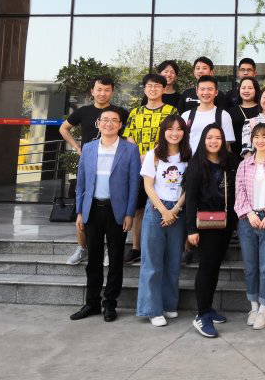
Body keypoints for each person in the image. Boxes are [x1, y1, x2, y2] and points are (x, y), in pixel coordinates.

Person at [70, 108, 140, 323]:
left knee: (116, 259)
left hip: (116, 211)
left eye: (114, 120)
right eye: (105, 120)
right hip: (92, 209)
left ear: (120, 125)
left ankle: (110, 303)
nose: (109, 123)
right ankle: (91, 303)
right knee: (94, 259)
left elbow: (134, 185)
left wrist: (129, 213)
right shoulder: (88, 148)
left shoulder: (130, 149)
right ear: (98, 124)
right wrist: (80, 211)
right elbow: (81, 182)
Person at [59, 76, 128, 266]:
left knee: (110, 210)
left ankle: (107, 250)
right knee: (83, 207)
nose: (102, 93)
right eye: (99, 89)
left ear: (112, 92)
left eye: (107, 90)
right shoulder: (83, 111)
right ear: (92, 91)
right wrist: (77, 147)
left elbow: (130, 134)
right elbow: (64, 128)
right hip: (89, 165)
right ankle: (82, 248)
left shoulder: (120, 112)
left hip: (113, 167)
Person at [136, 115, 190, 327]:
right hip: (156, 209)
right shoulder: (153, 155)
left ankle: (169, 304)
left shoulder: (188, 156)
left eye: (179, 129)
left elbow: (188, 187)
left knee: (173, 261)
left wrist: (175, 209)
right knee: (152, 261)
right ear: (163, 131)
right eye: (170, 129)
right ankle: (152, 309)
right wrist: (163, 211)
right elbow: (148, 186)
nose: (174, 133)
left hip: (178, 210)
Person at [187, 124, 240, 338]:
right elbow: (190, 199)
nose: (214, 141)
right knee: (206, 267)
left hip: (226, 223)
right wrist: (191, 229)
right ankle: (201, 315)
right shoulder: (196, 165)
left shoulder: (231, 161)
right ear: (203, 140)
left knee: (215, 266)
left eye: (218, 138)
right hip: (205, 224)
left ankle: (208, 308)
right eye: (210, 137)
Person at [122, 74, 179, 264]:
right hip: (138, 165)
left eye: (157, 86)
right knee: (139, 207)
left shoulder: (171, 111)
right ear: (144, 89)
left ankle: (166, 247)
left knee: (163, 202)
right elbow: (129, 136)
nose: (153, 89)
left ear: (163, 89)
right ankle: (136, 247)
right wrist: (138, 155)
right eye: (149, 86)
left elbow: (173, 135)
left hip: (164, 165)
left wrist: (151, 155)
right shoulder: (135, 112)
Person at [235, 123, 265, 330]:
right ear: (252, 140)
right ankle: (253, 307)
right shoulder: (244, 164)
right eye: (256, 137)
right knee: (250, 267)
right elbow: (239, 191)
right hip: (247, 220)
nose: (260, 140)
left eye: (264, 136)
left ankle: (264, 310)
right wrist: (249, 213)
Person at [184, 75, 235, 154]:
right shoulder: (186, 115)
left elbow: (227, 145)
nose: (206, 92)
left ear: (216, 92)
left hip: (215, 160)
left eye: (210, 89)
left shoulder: (224, 116)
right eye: (202, 89)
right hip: (191, 160)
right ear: (197, 91)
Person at [228, 76, 260, 155]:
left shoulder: (262, 109)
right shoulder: (231, 111)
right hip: (236, 154)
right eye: (243, 88)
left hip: (259, 153)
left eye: (250, 88)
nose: (246, 91)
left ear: (256, 90)